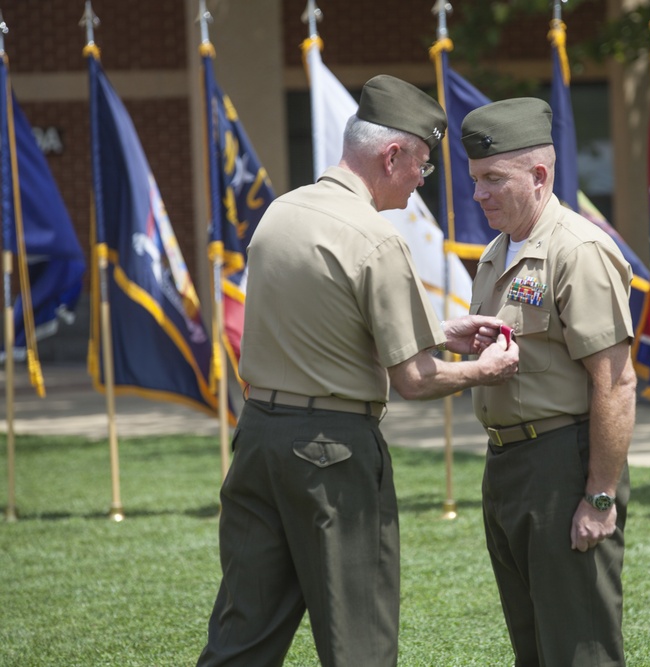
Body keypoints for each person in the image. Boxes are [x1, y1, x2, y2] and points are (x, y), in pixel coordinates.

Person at [196, 74, 519, 667]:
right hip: (332, 454)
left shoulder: (279, 214)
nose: (423, 180)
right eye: (421, 165)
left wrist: (440, 330)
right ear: (392, 155)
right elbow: (416, 380)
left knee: (243, 633)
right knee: (358, 640)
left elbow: (325, 325)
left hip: (260, 439)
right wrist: (485, 371)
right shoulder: (375, 237)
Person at [462, 97, 637, 667]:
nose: (479, 193)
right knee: (533, 648)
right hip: (508, 468)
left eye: (493, 178)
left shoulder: (577, 251)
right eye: (475, 179)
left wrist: (600, 495)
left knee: (578, 648)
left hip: (564, 465)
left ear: (539, 176)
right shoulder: (496, 253)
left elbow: (615, 383)